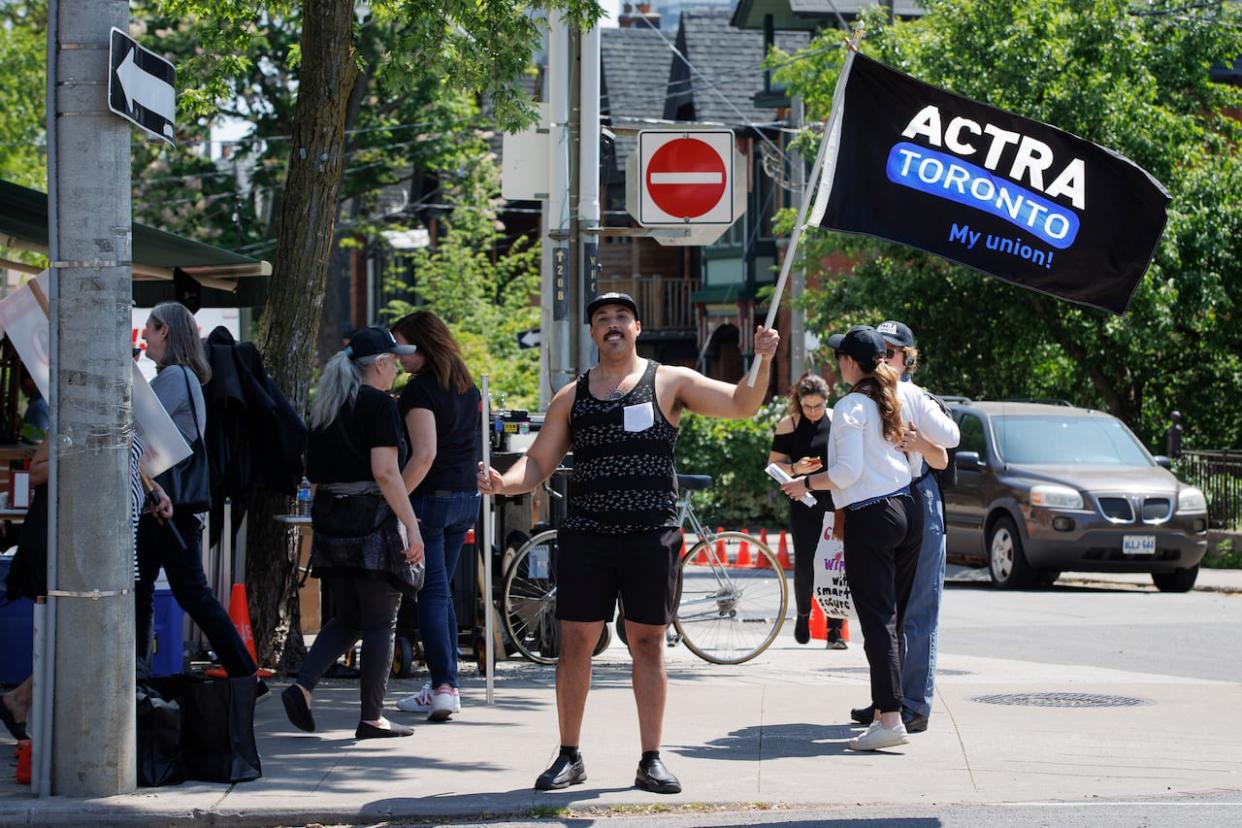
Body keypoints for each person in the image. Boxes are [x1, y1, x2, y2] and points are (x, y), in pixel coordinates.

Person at [478, 291, 779, 794]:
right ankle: (569, 755)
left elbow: (743, 404)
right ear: (593, 333)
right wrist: (502, 482)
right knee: (575, 643)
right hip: (588, 535)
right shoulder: (571, 396)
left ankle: (651, 759)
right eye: (602, 319)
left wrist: (764, 360)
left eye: (621, 317)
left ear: (637, 328)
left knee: (648, 644)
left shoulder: (670, 380)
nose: (612, 325)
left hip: (649, 535)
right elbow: (537, 463)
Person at [780, 325, 935, 751]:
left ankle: (889, 720)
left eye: (839, 359)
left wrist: (806, 484)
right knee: (894, 617)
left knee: (877, 621)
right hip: (908, 508)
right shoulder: (890, 397)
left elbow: (846, 474)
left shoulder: (850, 404)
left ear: (849, 362)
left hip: (873, 516)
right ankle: (895, 710)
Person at [281, 327, 425, 740]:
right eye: (394, 361)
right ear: (379, 364)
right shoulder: (378, 404)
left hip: (329, 520)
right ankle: (372, 718)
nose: (397, 368)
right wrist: (412, 526)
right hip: (371, 525)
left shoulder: (325, 405)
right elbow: (385, 472)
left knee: (347, 617)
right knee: (381, 621)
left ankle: (303, 685)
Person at [3, 415, 172, 743]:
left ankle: (23, 702)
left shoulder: (128, 419)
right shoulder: (73, 421)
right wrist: (86, 452)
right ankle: (52, 718)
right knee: (87, 633)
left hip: (117, 543)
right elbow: (35, 474)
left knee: (92, 634)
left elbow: (132, 465)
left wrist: (157, 492)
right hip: (82, 546)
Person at [135, 301, 258, 679]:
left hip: (170, 504)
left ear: (165, 332)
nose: (145, 337)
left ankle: (243, 669)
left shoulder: (175, 378)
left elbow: (134, 423)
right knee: (142, 588)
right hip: (164, 502)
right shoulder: (183, 377)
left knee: (190, 592)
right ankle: (138, 672)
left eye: (150, 329)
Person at [847, 321, 959, 734]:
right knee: (885, 607)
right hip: (887, 503)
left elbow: (946, 451)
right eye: (879, 349)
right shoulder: (871, 397)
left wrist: (922, 446)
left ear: (906, 359)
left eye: (890, 351)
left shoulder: (915, 397)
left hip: (919, 496)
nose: (882, 356)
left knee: (917, 609)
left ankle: (913, 703)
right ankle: (887, 700)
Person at [389, 311, 481, 721]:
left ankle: (444, 685)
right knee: (440, 591)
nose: (397, 355)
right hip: (466, 497)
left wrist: (393, 500)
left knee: (432, 592)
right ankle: (445, 685)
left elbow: (424, 455)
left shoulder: (419, 391)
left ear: (423, 344)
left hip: (430, 500)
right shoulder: (465, 384)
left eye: (403, 346)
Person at [767, 372, 847, 648]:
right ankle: (804, 615)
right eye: (807, 406)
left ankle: (834, 630)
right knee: (805, 564)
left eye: (818, 406)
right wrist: (795, 468)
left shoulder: (837, 420)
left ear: (827, 401)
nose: (813, 412)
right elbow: (773, 466)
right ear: (798, 402)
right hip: (804, 503)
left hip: (836, 502)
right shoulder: (789, 424)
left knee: (836, 563)